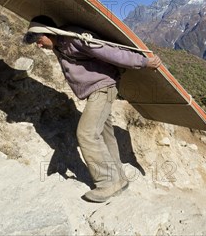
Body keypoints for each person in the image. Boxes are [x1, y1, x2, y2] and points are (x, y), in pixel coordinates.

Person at [24, 15, 162, 202]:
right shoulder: (58, 44)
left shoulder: (75, 38)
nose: (38, 45)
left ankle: (107, 183)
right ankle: (119, 178)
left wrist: (143, 62)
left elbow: (110, 52)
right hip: (96, 90)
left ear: (49, 33)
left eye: (39, 40)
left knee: (86, 133)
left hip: (102, 89)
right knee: (105, 135)